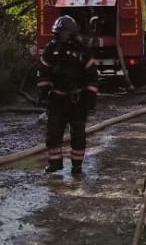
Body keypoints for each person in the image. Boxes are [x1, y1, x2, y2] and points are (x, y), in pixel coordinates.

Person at [36, 15, 99, 175]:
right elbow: (43, 72)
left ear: (71, 33)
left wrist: (91, 98)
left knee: (78, 135)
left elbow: (92, 76)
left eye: (63, 33)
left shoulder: (82, 51)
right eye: (58, 33)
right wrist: (43, 91)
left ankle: (77, 166)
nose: (60, 36)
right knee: (53, 133)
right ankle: (55, 163)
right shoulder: (51, 49)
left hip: (77, 100)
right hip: (57, 98)